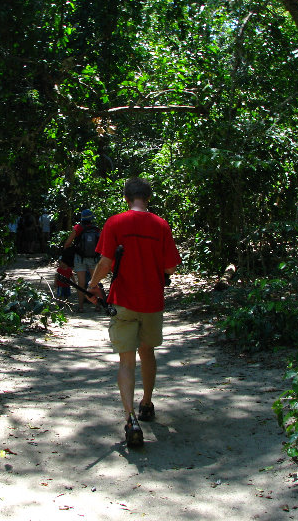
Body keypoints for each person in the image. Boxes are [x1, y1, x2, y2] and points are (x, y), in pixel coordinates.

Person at [87, 177, 180, 447]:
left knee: (126, 361)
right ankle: (147, 404)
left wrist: (92, 286)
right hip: (151, 301)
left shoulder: (115, 223)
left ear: (126, 197)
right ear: (147, 197)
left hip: (123, 301)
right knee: (147, 352)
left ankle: (130, 420)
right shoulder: (161, 225)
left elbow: (105, 262)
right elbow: (171, 268)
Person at [63, 209, 101, 312]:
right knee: (95, 282)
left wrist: (67, 253)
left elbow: (68, 243)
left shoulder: (77, 228)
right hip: (93, 258)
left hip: (80, 258)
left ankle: (81, 307)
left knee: (81, 283)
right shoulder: (96, 229)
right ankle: (97, 305)